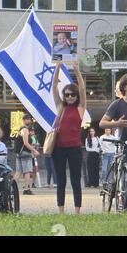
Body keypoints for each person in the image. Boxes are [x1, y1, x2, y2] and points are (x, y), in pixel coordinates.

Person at [52, 62, 87, 214]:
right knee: (61, 181)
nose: (70, 97)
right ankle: (61, 211)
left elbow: (83, 88)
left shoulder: (80, 108)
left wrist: (77, 71)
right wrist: (57, 68)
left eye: (73, 94)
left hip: (74, 148)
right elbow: (53, 88)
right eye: (67, 95)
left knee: (75, 180)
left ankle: (77, 211)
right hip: (58, 148)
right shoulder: (61, 107)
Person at [99, 73, 127, 209]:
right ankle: (124, 202)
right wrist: (116, 123)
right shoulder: (117, 104)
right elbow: (102, 123)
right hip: (125, 144)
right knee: (125, 172)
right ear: (125, 87)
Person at [13, 114, 39, 195]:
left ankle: (11, 188)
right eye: (28, 119)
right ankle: (27, 189)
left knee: (18, 171)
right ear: (24, 120)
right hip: (25, 153)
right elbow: (26, 143)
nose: (29, 121)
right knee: (27, 171)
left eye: (30, 119)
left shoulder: (20, 129)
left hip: (19, 153)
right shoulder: (25, 130)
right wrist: (34, 150)